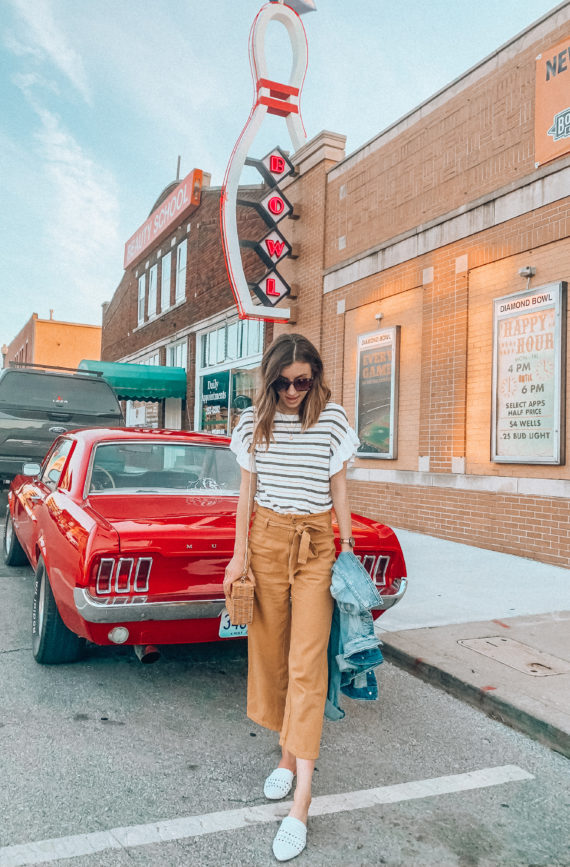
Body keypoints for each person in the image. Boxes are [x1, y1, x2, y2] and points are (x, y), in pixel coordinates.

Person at [225, 332, 359, 862]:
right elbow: (245, 496)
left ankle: (301, 800)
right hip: (266, 541)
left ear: (316, 377)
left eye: (303, 381)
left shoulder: (332, 419)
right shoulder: (251, 422)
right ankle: (285, 759)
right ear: (270, 378)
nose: (293, 391)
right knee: (273, 655)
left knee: (308, 663)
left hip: (316, 544)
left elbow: (341, 492)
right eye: (284, 381)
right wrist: (239, 557)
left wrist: (347, 550)